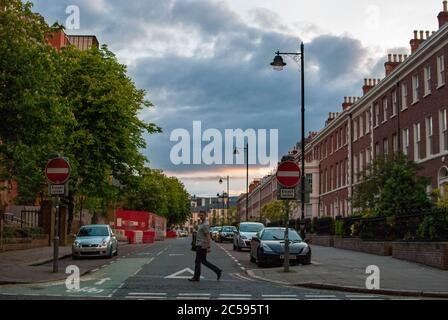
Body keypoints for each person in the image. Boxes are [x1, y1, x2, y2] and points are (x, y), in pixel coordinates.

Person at [189, 211, 222, 282]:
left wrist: (209, 246)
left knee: (198, 261)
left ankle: (196, 277)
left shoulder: (205, 225)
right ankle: (217, 270)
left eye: (202, 215)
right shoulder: (201, 224)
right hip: (200, 245)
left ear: (205, 216)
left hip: (202, 245)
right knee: (203, 261)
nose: (201, 217)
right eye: (200, 215)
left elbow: (208, 236)